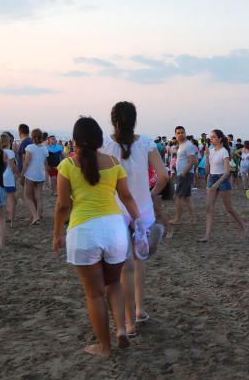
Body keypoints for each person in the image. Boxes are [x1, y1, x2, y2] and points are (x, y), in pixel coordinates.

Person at [54, 117, 142, 356]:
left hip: (84, 231)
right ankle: (121, 330)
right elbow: (127, 197)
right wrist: (139, 223)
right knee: (114, 283)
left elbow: (62, 206)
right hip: (115, 230)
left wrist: (56, 234)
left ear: (74, 140)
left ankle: (104, 346)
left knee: (94, 294)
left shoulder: (67, 166)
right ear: (100, 140)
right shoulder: (113, 163)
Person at [102, 102, 169, 335]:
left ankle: (128, 323)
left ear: (113, 120)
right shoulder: (147, 143)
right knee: (140, 262)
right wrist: (151, 194)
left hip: (116, 210)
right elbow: (163, 176)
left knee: (124, 268)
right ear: (135, 119)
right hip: (143, 210)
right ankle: (140, 310)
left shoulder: (105, 144)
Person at [200, 129, 247, 243]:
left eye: (213, 137)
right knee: (208, 207)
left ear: (220, 138)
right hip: (212, 178)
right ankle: (207, 235)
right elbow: (207, 170)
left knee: (229, 208)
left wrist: (217, 184)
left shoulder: (224, 151)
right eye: (210, 137)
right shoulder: (210, 151)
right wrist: (206, 157)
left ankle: (243, 227)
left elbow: (227, 172)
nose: (211, 139)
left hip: (222, 180)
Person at [171, 126, 198, 227]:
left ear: (185, 133)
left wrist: (184, 173)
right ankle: (193, 219)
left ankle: (178, 219)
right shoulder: (182, 145)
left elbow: (192, 161)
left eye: (182, 132)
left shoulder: (188, 145)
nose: (180, 134)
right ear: (175, 134)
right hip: (183, 173)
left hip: (185, 174)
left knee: (177, 197)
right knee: (187, 197)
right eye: (178, 133)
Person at [21, 128, 49, 226]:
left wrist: (22, 174)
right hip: (40, 175)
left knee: (27, 196)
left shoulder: (30, 147)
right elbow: (45, 163)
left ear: (32, 137)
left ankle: (35, 216)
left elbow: (26, 162)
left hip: (30, 175)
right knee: (39, 197)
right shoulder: (44, 148)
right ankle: (38, 216)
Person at [0, 132, 21, 224]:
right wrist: (19, 174)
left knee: (0, 199)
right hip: (8, 177)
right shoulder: (10, 152)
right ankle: (12, 220)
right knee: (11, 198)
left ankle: (1, 218)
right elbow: (12, 167)